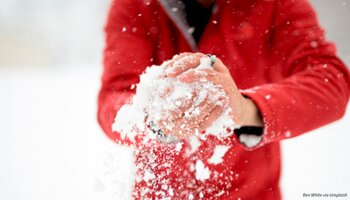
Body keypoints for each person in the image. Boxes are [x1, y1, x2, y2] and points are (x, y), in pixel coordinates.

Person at [97, 0, 350, 199]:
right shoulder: (134, 4)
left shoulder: (276, 4)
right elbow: (113, 101)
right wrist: (153, 121)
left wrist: (246, 109)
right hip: (160, 193)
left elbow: (331, 82)